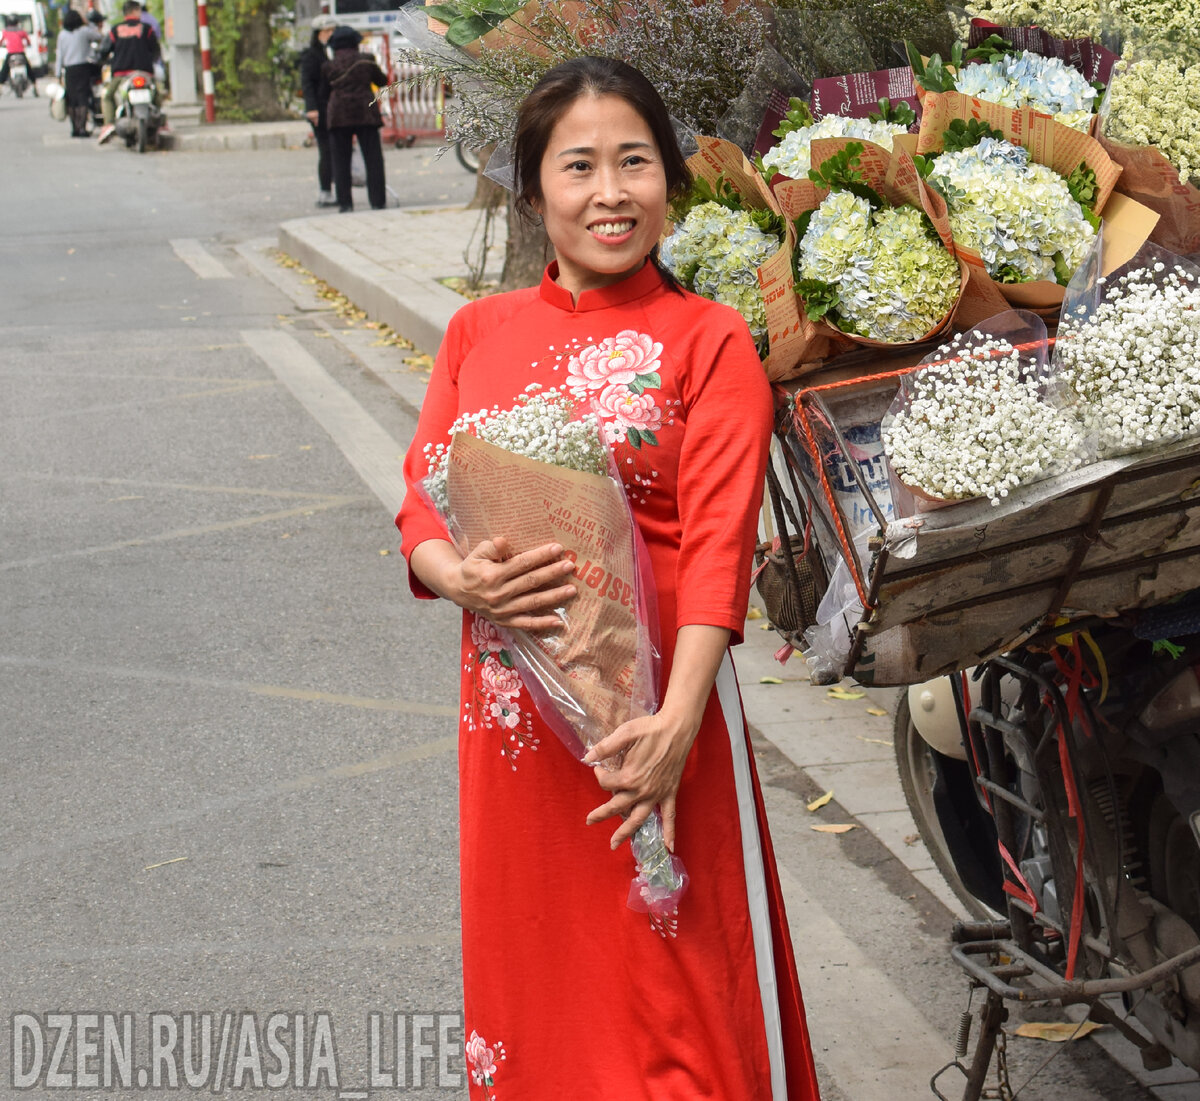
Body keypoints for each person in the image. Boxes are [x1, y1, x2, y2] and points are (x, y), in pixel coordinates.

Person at [395, 55, 822, 1101]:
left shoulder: (711, 338)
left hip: (659, 702)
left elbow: (722, 537)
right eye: (577, 166)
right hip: (516, 713)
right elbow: (420, 493)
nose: (609, 192)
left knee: (673, 968)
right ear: (535, 189)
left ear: (669, 181)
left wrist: (677, 726)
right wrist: (457, 576)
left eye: (634, 162)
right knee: (543, 961)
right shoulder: (476, 332)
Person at [321, 26, 387, 213]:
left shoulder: (328, 66)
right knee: (373, 159)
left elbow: (323, 93)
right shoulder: (366, 61)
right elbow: (382, 80)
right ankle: (378, 201)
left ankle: (345, 204)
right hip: (365, 113)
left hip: (339, 116)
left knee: (340, 161)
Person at [95, 0, 159, 145]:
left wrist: (101, 60)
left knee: (107, 96)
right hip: (144, 72)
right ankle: (161, 122)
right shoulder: (147, 28)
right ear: (136, 12)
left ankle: (109, 124)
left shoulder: (115, 30)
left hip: (122, 74)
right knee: (156, 93)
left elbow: (104, 50)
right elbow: (155, 49)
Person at [300, 14, 337, 208]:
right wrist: (312, 109)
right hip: (320, 110)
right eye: (327, 31)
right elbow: (307, 84)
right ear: (318, 33)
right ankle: (325, 191)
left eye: (332, 31)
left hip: (335, 108)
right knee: (326, 150)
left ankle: (337, 188)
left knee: (336, 150)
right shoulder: (311, 55)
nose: (330, 34)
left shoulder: (332, 51)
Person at [55, 9, 102, 136]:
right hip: (83, 68)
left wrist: (58, 74)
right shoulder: (84, 31)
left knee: (72, 100)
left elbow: (59, 55)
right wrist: (89, 24)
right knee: (83, 98)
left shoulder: (62, 35)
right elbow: (99, 37)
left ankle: (74, 129)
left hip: (69, 70)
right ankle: (82, 128)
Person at [1, 16, 36, 94]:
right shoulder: (21, 31)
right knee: (29, 69)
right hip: (21, 53)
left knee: (4, 70)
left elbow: (1, 41)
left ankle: (0, 86)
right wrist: (28, 44)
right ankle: (35, 85)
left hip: (11, 54)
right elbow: (27, 40)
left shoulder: (5, 31)